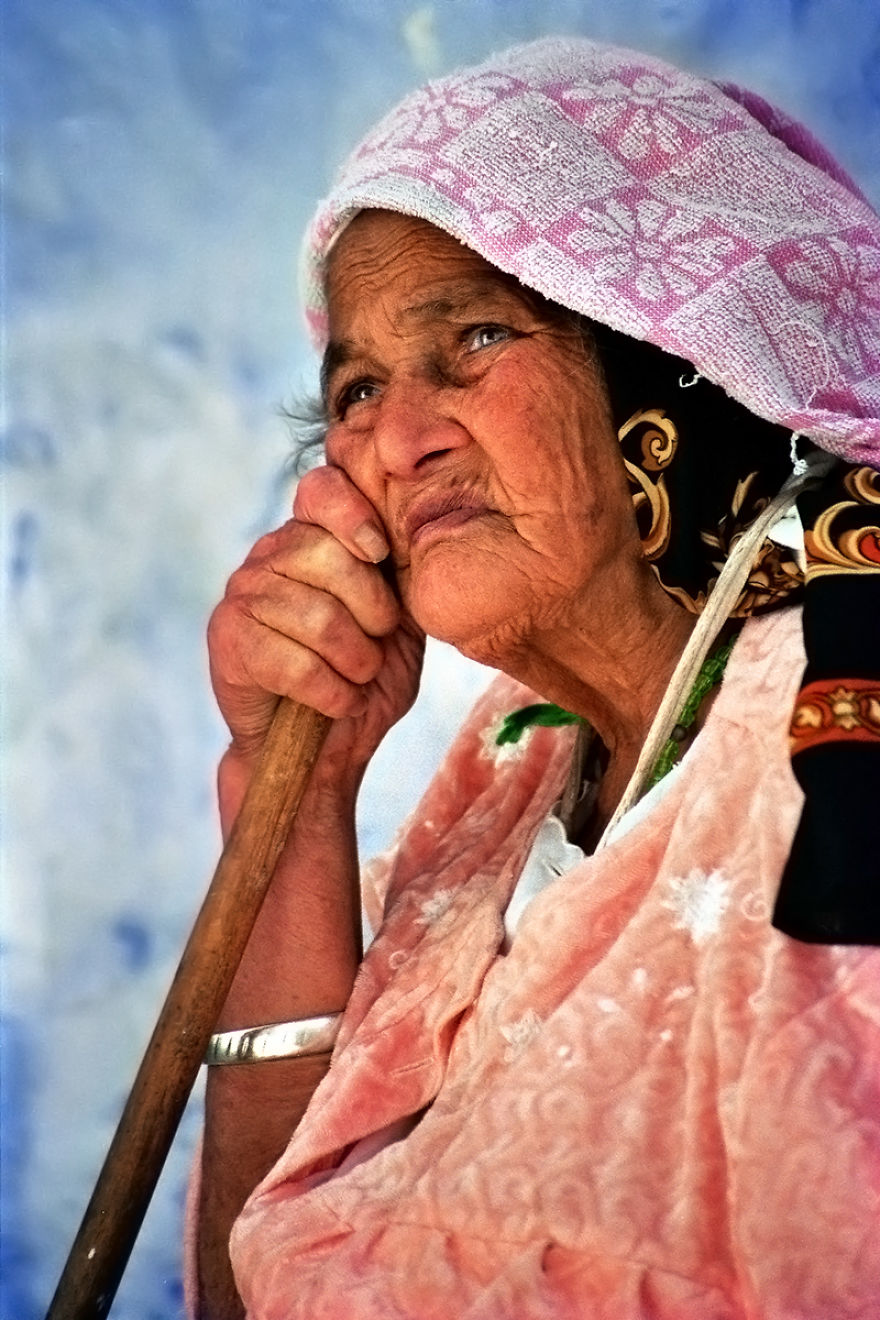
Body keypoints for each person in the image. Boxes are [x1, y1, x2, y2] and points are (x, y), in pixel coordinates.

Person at [191, 38, 880, 1319]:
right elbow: (254, 1283)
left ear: (678, 351)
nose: (396, 441)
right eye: (355, 388)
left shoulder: (840, 719)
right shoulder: (511, 775)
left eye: (477, 336)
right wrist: (296, 801)